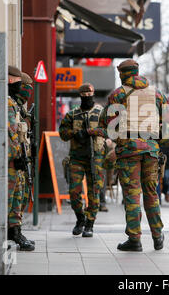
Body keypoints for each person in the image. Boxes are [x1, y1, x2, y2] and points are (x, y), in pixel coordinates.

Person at [99, 59, 169, 252]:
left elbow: (108, 126)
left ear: (122, 74)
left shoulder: (118, 94)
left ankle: (135, 239)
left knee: (132, 195)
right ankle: (158, 236)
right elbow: (168, 125)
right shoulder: (157, 94)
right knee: (151, 193)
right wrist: (156, 142)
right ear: (137, 72)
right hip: (151, 151)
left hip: (129, 151)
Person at [59, 83, 106, 238]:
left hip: (96, 157)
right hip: (77, 157)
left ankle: (90, 224)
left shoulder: (101, 112)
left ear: (93, 94)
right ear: (80, 96)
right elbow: (63, 132)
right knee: (74, 191)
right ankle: (80, 218)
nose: (87, 98)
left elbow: (110, 130)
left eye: (89, 95)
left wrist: (90, 131)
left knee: (94, 190)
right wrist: (74, 133)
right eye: (84, 96)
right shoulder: (73, 114)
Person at [7, 65, 35, 251]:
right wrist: (16, 155)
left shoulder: (14, 105)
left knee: (18, 196)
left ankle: (15, 231)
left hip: (17, 158)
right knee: (8, 198)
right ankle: (2, 233)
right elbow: (9, 133)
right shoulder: (6, 103)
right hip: (8, 160)